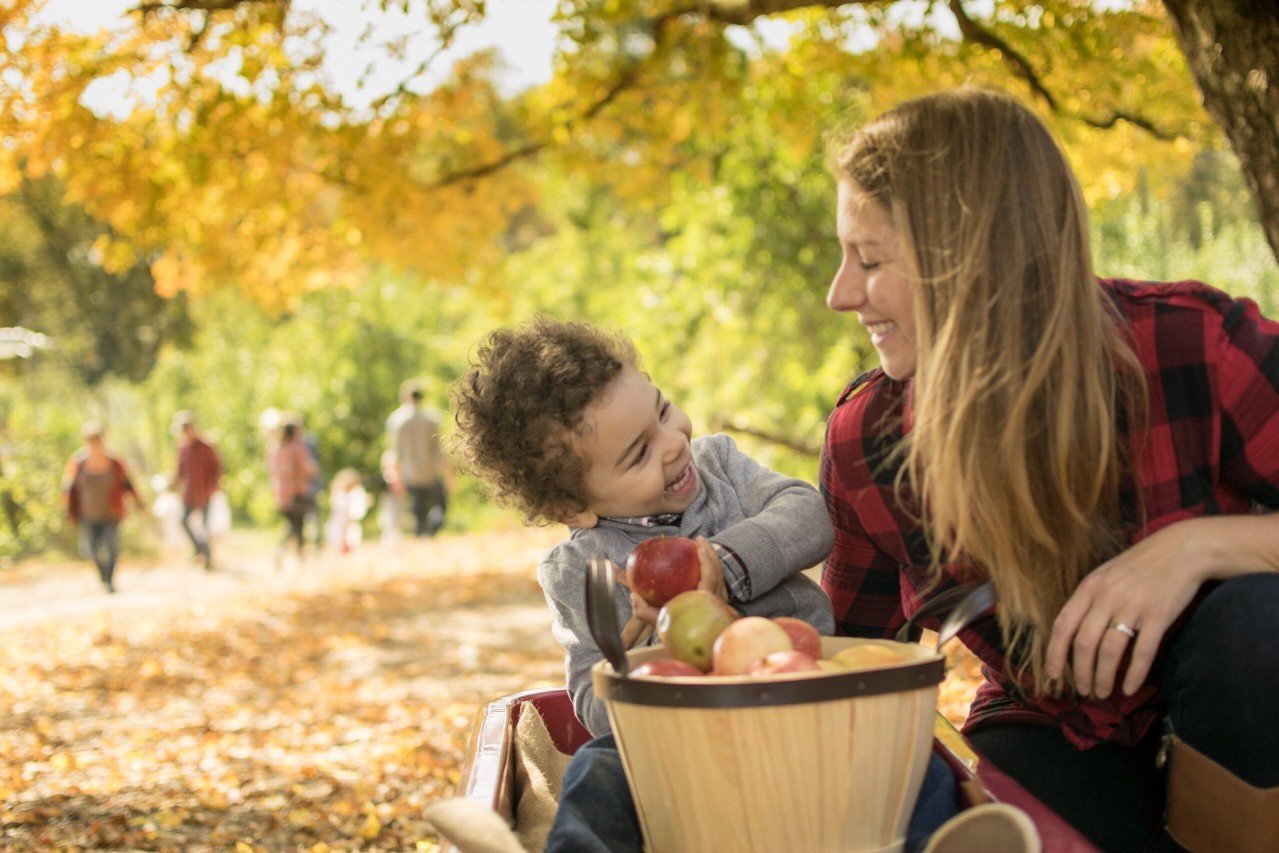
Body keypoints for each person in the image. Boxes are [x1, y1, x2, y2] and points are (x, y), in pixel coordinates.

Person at [821, 87, 1279, 851]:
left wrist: (1199, 548)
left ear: (968, 258)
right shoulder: (866, 443)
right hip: (1054, 732)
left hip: (1246, 719)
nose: (840, 294)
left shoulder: (1192, 346)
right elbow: (847, 670)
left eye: (868, 260)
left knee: (1257, 625)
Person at [449, 317, 960, 851]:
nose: (673, 444)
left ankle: (942, 841)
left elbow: (809, 515)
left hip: (803, 697)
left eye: (664, 410)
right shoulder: (583, 572)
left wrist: (724, 561)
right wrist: (638, 648)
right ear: (572, 506)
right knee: (598, 771)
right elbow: (593, 708)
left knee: (906, 757)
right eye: (638, 454)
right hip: (681, 739)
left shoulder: (720, 465)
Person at [60, 422, 143, 593]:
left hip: (111, 513)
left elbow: (127, 483)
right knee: (92, 549)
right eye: (91, 440)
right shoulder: (78, 462)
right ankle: (103, 575)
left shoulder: (114, 461)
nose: (95, 443)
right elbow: (68, 487)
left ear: (103, 439)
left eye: (98, 439)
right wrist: (67, 509)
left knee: (111, 546)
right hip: (87, 513)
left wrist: (139, 502)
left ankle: (110, 579)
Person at [386, 380, 447, 537]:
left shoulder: (397, 420)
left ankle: (422, 536)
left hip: (410, 473)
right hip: (431, 472)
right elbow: (439, 449)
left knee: (418, 511)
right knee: (439, 507)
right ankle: (429, 535)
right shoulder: (432, 419)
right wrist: (447, 473)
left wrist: (395, 475)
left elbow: (396, 452)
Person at [170, 410, 223, 570]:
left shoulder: (206, 446)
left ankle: (207, 557)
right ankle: (199, 548)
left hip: (205, 492)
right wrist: (171, 484)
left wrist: (213, 487)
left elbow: (217, 468)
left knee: (205, 526)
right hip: (189, 494)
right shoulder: (182, 448)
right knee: (183, 521)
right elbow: (179, 471)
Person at [267, 420, 318, 566]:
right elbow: (308, 468)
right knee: (297, 526)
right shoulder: (297, 448)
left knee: (293, 525)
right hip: (297, 492)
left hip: (281, 495)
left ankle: (285, 553)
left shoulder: (275, 449)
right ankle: (299, 557)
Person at [325, 467, 369, 554]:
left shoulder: (352, 494)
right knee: (341, 543)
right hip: (341, 523)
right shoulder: (340, 495)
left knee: (348, 544)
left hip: (345, 523)